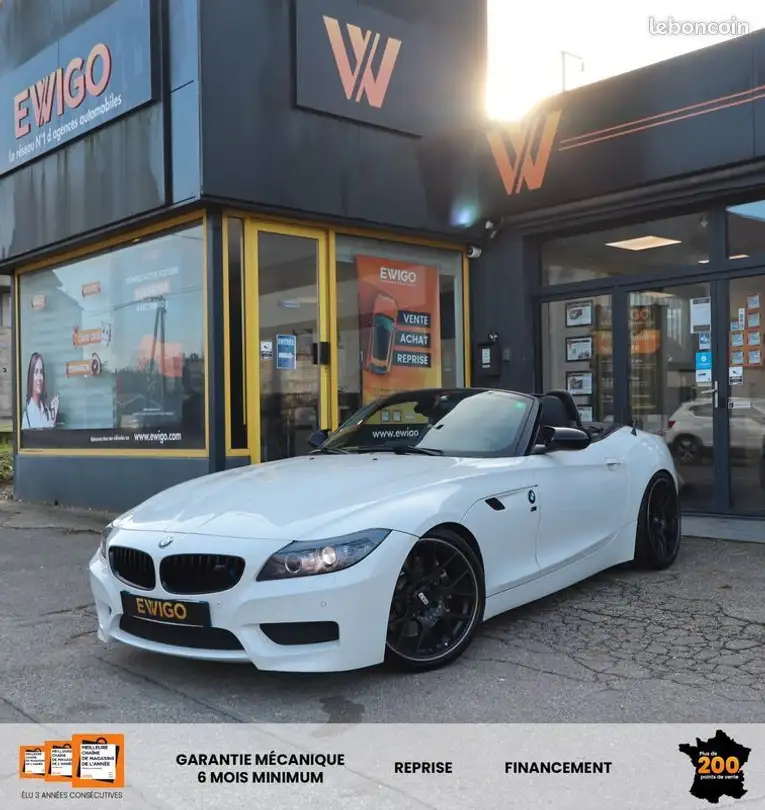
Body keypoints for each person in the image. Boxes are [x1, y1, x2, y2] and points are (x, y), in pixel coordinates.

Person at [23, 352, 59, 429]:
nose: (39, 378)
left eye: (41, 372)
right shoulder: (26, 415)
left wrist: (53, 418)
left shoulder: (46, 411)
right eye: (36, 372)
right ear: (31, 377)